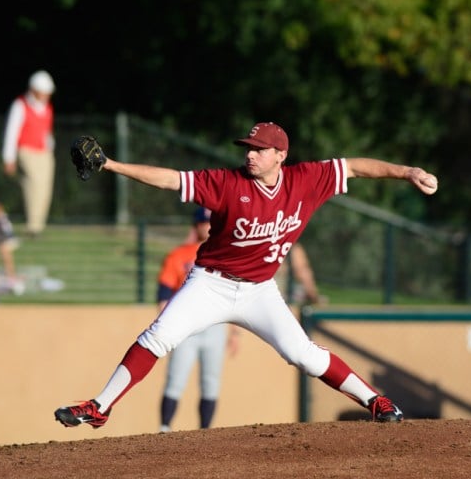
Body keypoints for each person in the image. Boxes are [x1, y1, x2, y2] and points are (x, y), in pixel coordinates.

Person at [55, 122, 439, 429]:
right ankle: (99, 406)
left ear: (280, 156)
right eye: (248, 148)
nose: (250, 154)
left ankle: (376, 401)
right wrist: (111, 165)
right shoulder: (227, 183)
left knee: (302, 354)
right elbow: (171, 179)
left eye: (259, 149)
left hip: (259, 290)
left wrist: (407, 172)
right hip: (210, 283)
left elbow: (354, 166)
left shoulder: (306, 179)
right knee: (157, 337)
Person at [157, 206, 240, 433]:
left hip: (214, 327)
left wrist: (235, 332)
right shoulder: (179, 255)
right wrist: (165, 328)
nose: (207, 226)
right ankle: (164, 428)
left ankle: (205, 432)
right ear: (196, 225)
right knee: (176, 379)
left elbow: (233, 296)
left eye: (210, 222)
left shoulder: (225, 254)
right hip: (186, 328)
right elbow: (163, 295)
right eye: (203, 223)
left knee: (211, 382)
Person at [2, 70, 56, 238]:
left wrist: (49, 148)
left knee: (45, 187)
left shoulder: (47, 108)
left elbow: (47, 132)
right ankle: (32, 226)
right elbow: (11, 132)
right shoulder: (20, 105)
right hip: (26, 150)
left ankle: (38, 226)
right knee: (34, 184)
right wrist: (8, 158)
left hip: (44, 152)